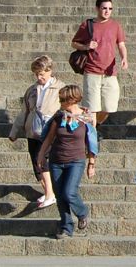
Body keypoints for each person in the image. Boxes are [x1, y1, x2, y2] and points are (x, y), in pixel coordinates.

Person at [35, 84, 95, 239]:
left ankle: (82, 212)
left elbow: (92, 142)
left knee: (69, 192)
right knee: (60, 196)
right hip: (56, 161)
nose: (60, 103)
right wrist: (41, 155)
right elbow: (49, 138)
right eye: (60, 100)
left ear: (73, 100)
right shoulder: (59, 116)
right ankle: (66, 227)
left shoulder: (87, 118)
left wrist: (91, 163)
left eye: (63, 100)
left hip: (76, 161)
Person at [8, 55, 64, 210]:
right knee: (35, 162)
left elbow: (66, 108)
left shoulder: (60, 88)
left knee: (42, 160)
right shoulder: (32, 90)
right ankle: (48, 191)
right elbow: (24, 111)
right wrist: (14, 131)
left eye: (42, 74)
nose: (39, 78)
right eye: (36, 74)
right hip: (32, 130)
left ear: (50, 71)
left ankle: (50, 194)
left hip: (50, 131)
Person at [72, 0, 130, 125]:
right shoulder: (88, 25)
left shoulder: (115, 25)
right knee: (92, 109)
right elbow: (74, 43)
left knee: (109, 107)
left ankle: (95, 126)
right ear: (97, 8)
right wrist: (86, 46)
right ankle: (92, 132)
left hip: (110, 73)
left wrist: (124, 58)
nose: (107, 11)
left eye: (110, 8)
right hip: (91, 71)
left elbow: (121, 44)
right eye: (104, 8)